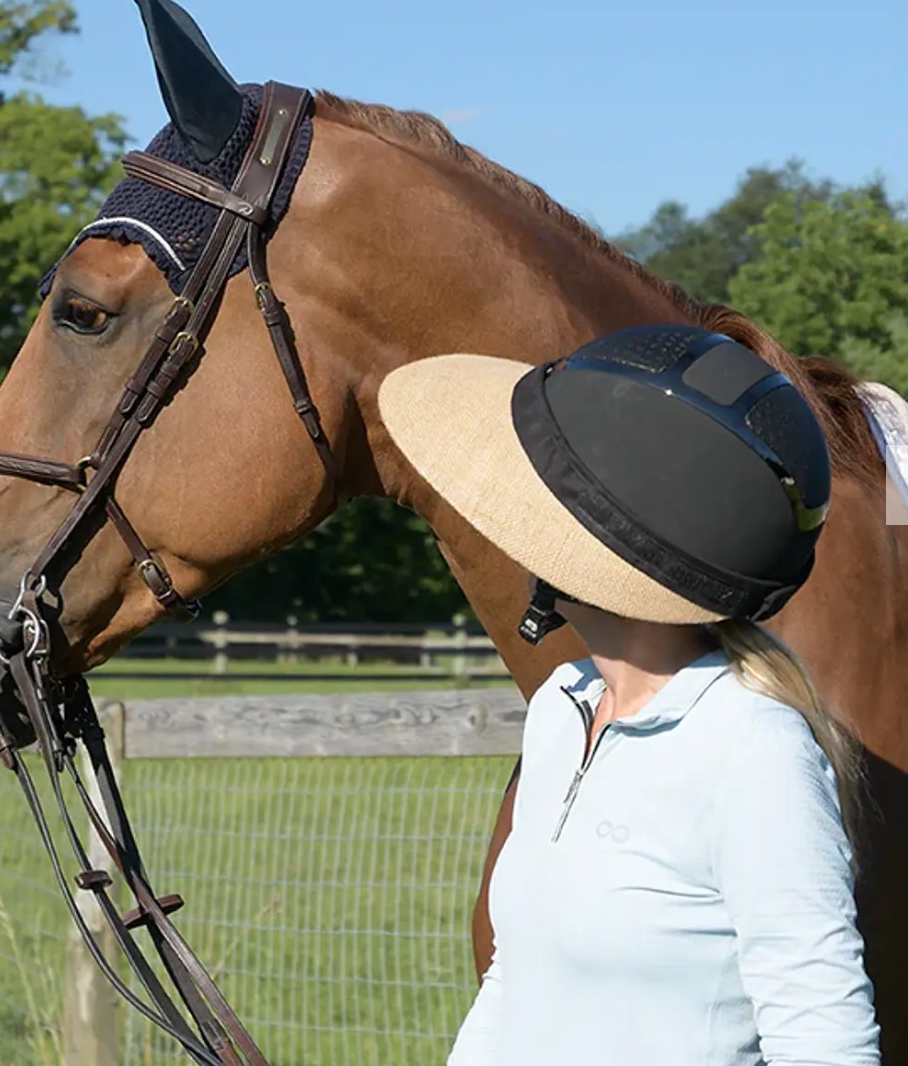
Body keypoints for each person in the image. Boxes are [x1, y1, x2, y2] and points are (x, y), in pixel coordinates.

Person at [377, 324, 880, 1066]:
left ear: (625, 542)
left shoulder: (752, 750)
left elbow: (823, 1040)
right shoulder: (562, 705)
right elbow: (515, 980)